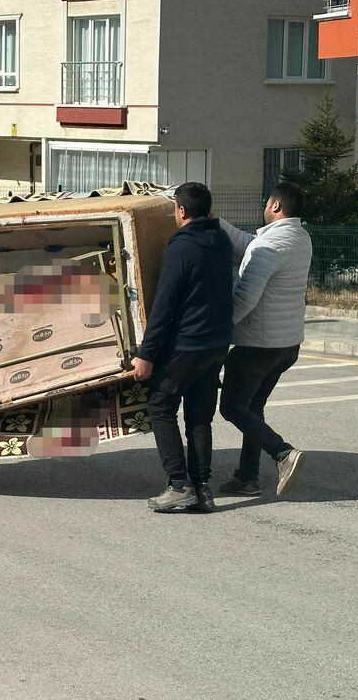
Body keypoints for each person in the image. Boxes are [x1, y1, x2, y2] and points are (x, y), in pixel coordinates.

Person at [131, 182, 233, 513]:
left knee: (160, 407)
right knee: (199, 417)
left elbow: (164, 307)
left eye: (175, 207)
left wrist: (146, 355)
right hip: (216, 343)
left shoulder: (181, 248)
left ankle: (179, 485)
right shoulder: (221, 241)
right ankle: (203, 490)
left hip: (186, 344)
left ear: (182, 211)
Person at [217, 182, 313, 498]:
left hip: (258, 346)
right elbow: (249, 244)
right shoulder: (298, 237)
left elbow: (245, 297)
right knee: (253, 408)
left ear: (274, 205)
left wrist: (220, 333)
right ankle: (246, 478)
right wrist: (216, 221)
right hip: (287, 345)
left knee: (232, 407)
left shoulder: (270, 246)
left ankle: (282, 453)